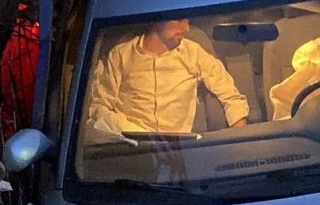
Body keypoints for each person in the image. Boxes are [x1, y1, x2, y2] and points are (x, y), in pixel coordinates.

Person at [88, 19, 249, 136]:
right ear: (157, 20)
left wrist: (241, 141)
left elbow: (231, 96)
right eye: (178, 20)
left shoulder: (193, 53)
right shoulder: (121, 55)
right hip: (130, 151)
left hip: (179, 154)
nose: (186, 28)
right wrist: (132, 132)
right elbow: (100, 108)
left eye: (187, 20)